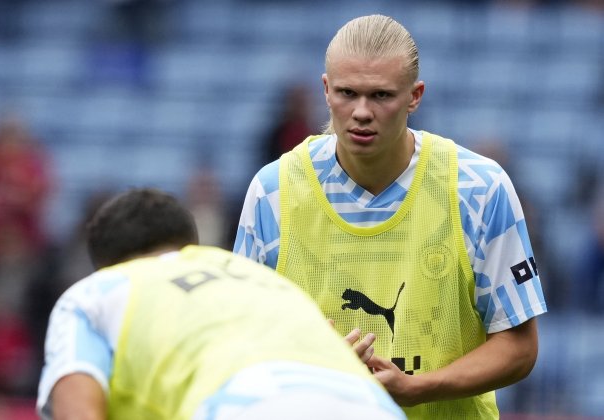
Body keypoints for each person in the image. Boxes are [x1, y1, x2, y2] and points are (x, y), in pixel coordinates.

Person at [233, 14, 547, 419]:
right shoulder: (272, 192)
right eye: (347, 93)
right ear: (326, 91)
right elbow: (240, 342)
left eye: (381, 96)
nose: (362, 111)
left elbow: (520, 347)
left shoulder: (478, 188)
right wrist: (313, 362)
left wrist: (418, 388)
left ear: (415, 96)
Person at [36, 188, 406, 420]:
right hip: (371, 406)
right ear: (192, 244)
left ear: (106, 264)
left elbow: (78, 409)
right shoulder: (259, 278)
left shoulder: (96, 292)